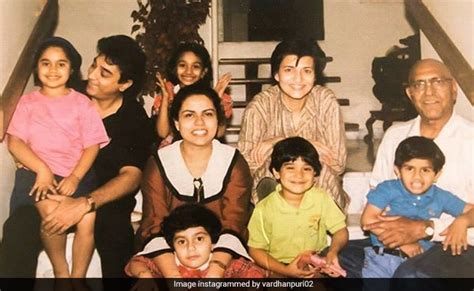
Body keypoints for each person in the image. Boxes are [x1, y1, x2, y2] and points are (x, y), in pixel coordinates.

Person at [0, 35, 153, 280]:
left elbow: (132, 176)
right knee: (19, 228)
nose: (91, 75)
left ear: (124, 84)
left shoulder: (133, 118)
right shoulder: (68, 91)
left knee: (115, 234)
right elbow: (25, 128)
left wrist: (86, 202)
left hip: (100, 199)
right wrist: (32, 161)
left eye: (104, 73)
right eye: (94, 65)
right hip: (48, 185)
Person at [339, 59, 474, 278]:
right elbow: (375, 196)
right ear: (410, 94)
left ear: (453, 89)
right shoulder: (395, 136)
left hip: (457, 243)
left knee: (410, 275)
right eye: (419, 84)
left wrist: (426, 228)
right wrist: (396, 237)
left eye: (437, 82)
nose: (428, 92)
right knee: (335, 258)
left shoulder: (471, 138)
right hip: (396, 238)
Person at [5, 37, 109, 278]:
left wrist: (75, 177)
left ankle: (78, 277)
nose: (53, 70)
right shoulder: (27, 103)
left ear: (72, 69)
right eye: (46, 63)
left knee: (88, 216)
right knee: (52, 214)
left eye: (61, 64)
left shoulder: (82, 103)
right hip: (37, 177)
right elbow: (15, 142)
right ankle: (62, 273)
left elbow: (92, 146)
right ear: (36, 68)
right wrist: (42, 169)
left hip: (76, 176)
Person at [135, 84, 252, 278]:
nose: (199, 122)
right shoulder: (158, 162)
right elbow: (154, 223)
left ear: (218, 119)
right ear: (177, 123)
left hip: (222, 256)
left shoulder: (234, 161)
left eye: (207, 114)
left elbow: (234, 222)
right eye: (189, 115)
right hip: (169, 255)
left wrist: (214, 272)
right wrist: (174, 277)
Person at [237, 39, 348, 210]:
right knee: (274, 166)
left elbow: (338, 163)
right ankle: (276, 215)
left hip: (318, 187)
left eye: (307, 71)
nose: (298, 79)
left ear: (315, 76)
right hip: (274, 191)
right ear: (276, 74)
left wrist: (276, 143)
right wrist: (299, 143)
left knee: (318, 167)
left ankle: (326, 222)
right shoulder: (260, 106)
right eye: (289, 70)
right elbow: (245, 165)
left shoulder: (326, 101)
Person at [361, 136, 473, 278]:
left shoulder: (441, 196)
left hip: (420, 261)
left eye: (425, 170)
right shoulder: (387, 189)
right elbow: (368, 221)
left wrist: (462, 221)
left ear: (437, 174)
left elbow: (471, 210)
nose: (417, 177)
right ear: (397, 171)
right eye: (409, 169)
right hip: (382, 259)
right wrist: (402, 244)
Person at [247, 136, 348, 278]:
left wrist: (333, 252)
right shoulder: (264, 208)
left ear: (315, 175)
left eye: (306, 169)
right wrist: (285, 270)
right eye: (290, 168)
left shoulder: (321, 198)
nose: (299, 175)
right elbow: (255, 249)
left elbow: (340, 231)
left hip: (314, 263)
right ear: (276, 172)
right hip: (278, 266)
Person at [126, 203, 264, 279]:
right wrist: (144, 275)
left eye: (199, 239)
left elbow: (256, 274)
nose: (190, 247)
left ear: (213, 244)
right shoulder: (171, 263)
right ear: (172, 247)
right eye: (181, 242)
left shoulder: (228, 266)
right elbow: (134, 263)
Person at [152, 42, 233, 147]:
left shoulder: (214, 95)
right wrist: (165, 98)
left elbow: (219, 133)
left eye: (195, 66)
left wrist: (216, 99)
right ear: (174, 69)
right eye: (182, 65)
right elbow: (163, 133)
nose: (188, 71)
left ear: (204, 71)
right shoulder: (170, 93)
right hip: (174, 148)